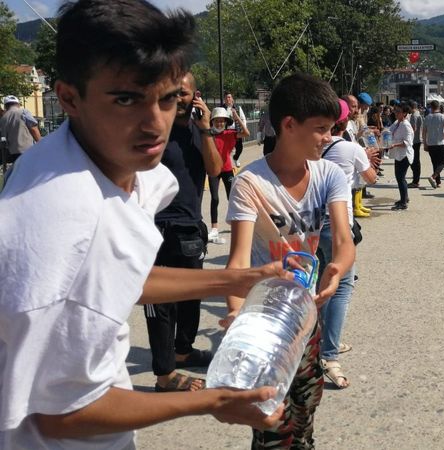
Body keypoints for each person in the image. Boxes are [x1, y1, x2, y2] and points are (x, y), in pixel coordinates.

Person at [0, 1, 287, 447]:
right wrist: (212, 401)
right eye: (126, 99)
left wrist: (239, 279)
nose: (155, 124)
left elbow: (114, 279)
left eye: (168, 98)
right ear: (69, 97)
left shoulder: (74, 156)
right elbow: (63, 414)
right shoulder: (68, 225)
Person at [223, 73, 355, 448]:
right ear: (288, 125)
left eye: (331, 129)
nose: (328, 137)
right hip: (265, 322)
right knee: (271, 421)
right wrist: (235, 314)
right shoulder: (250, 183)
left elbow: (344, 239)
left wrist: (338, 268)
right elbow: (237, 260)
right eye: (321, 129)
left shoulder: (328, 173)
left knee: (306, 407)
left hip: (305, 316)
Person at [142, 72, 225, 394]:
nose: (178, 99)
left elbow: (216, 170)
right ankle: (165, 374)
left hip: (189, 226)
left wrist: (205, 129)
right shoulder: (151, 130)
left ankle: (183, 350)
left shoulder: (198, 132)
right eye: (170, 93)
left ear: (195, 96)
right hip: (153, 226)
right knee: (159, 301)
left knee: (192, 294)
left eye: (183, 93)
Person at [318, 98, 377, 387]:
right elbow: (371, 178)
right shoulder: (351, 148)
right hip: (339, 224)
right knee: (342, 286)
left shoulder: (311, 149)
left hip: (312, 224)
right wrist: (368, 161)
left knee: (319, 284)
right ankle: (329, 353)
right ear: (346, 122)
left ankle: (320, 341)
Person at [207, 106, 250, 244]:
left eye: (222, 121)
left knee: (231, 197)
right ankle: (214, 228)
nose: (219, 123)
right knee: (214, 198)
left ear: (226, 122)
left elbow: (246, 133)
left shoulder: (230, 134)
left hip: (227, 169)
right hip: (213, 170)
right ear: (212, 122)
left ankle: (235, 224)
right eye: (216, 121)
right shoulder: (208, 135)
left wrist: (236, 117)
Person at [387, 101, 414, 210]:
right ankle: (404, 198)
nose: (396, 113)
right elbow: (389, 132)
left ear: (404, 113)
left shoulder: (406, 125)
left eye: (398, 111)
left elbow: (408, 142)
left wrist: (394, 144)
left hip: (404, 155)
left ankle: (403, 203)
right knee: (400, 178)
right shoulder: (397, 123)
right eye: (395, 111)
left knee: (400, 178)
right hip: (398, 154)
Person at [0, 95, 41, 164]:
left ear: (5, 106)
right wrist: (41, 143)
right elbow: (33, 128)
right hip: (27, 150)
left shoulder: (3, 119)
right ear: (18, 104)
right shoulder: (23, 112)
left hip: (13, 153)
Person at [422, 100, 444, 188]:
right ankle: (433, 176)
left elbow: (424, 132)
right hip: (440, 143)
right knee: (442, 162)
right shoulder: (442, 116)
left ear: (431, 107)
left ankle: (438, 182)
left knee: (435, 163)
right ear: (439, 107)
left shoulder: (427, 117)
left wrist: (425, 144)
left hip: (431, 144)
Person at [224, 91, 247, 167]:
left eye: (229, 97)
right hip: (226, 131)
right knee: (226, 149)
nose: (228, 99)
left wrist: (244, 129)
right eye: (226, 97)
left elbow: (243, 119)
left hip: (237, 131)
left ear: (232, 98)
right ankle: (226, 163)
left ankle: (236, 158)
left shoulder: (238, 108)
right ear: (224, 99)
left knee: (239, 148)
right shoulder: (222, 108)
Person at [408, 100, 423, 188]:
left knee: (414, 161)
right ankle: (416, 180)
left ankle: (415, 181)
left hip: (414, 140)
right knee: (416, 161)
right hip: (418, 139)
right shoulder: (419, 114)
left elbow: (413, 128)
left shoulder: (414, 116)